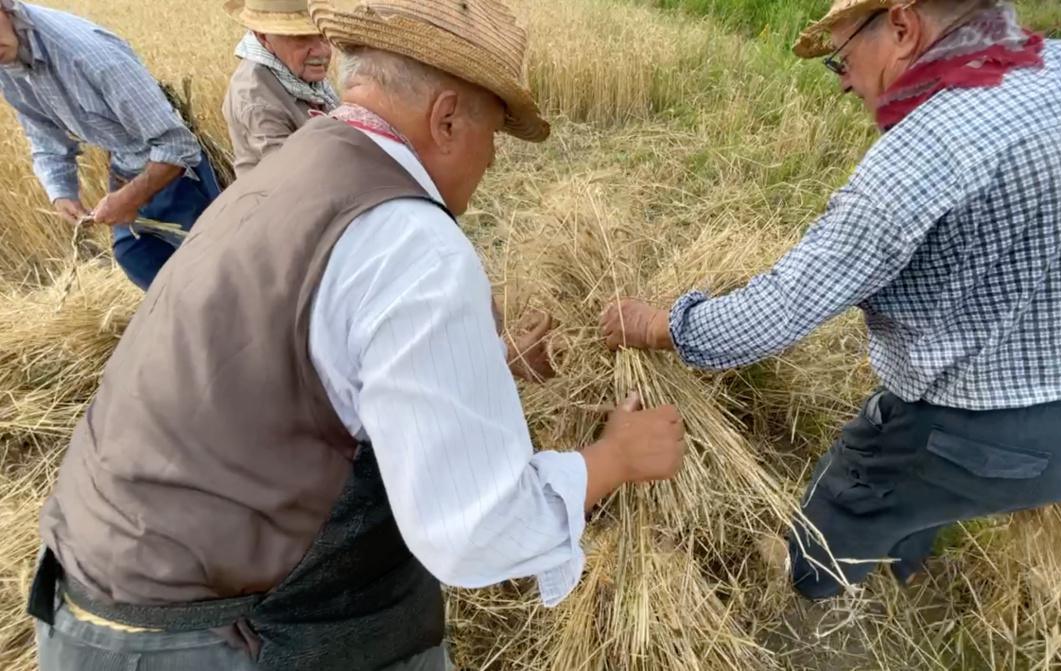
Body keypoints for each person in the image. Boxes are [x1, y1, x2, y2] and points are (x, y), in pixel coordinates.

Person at [27, 0, 686, 669]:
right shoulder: (415, 242)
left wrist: (496, 361)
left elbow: (313, 367)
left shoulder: (287, 174)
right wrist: (615, 459)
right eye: (495, 134)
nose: (490, 163)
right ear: (448, 117)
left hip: (83, 604)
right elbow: (476, 529)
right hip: (207, 637)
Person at [601, 0, 1061, 599]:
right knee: (944, 485)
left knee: (859, 492)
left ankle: (811, 578)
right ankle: (906, 559)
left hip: (995, 442)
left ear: (903, 27)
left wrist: (662, 326)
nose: (844, 83)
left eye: (841, 58)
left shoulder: (928, 151)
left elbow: (778, 311)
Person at [0, 1, 220, 290]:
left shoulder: (88, 55)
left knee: (215, 270)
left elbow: (177, 145)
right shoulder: (6, 54)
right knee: (137, 258)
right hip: (124, 167)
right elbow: (42, 130)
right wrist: (61, 191)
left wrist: (129, 199)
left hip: (177, 174)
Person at [222, 0, 338, 177]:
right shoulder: (256, 99)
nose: (321, 51)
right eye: (301, 37)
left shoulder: (294, 70)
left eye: (322, 35)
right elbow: (293, 179)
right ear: (263, 37)